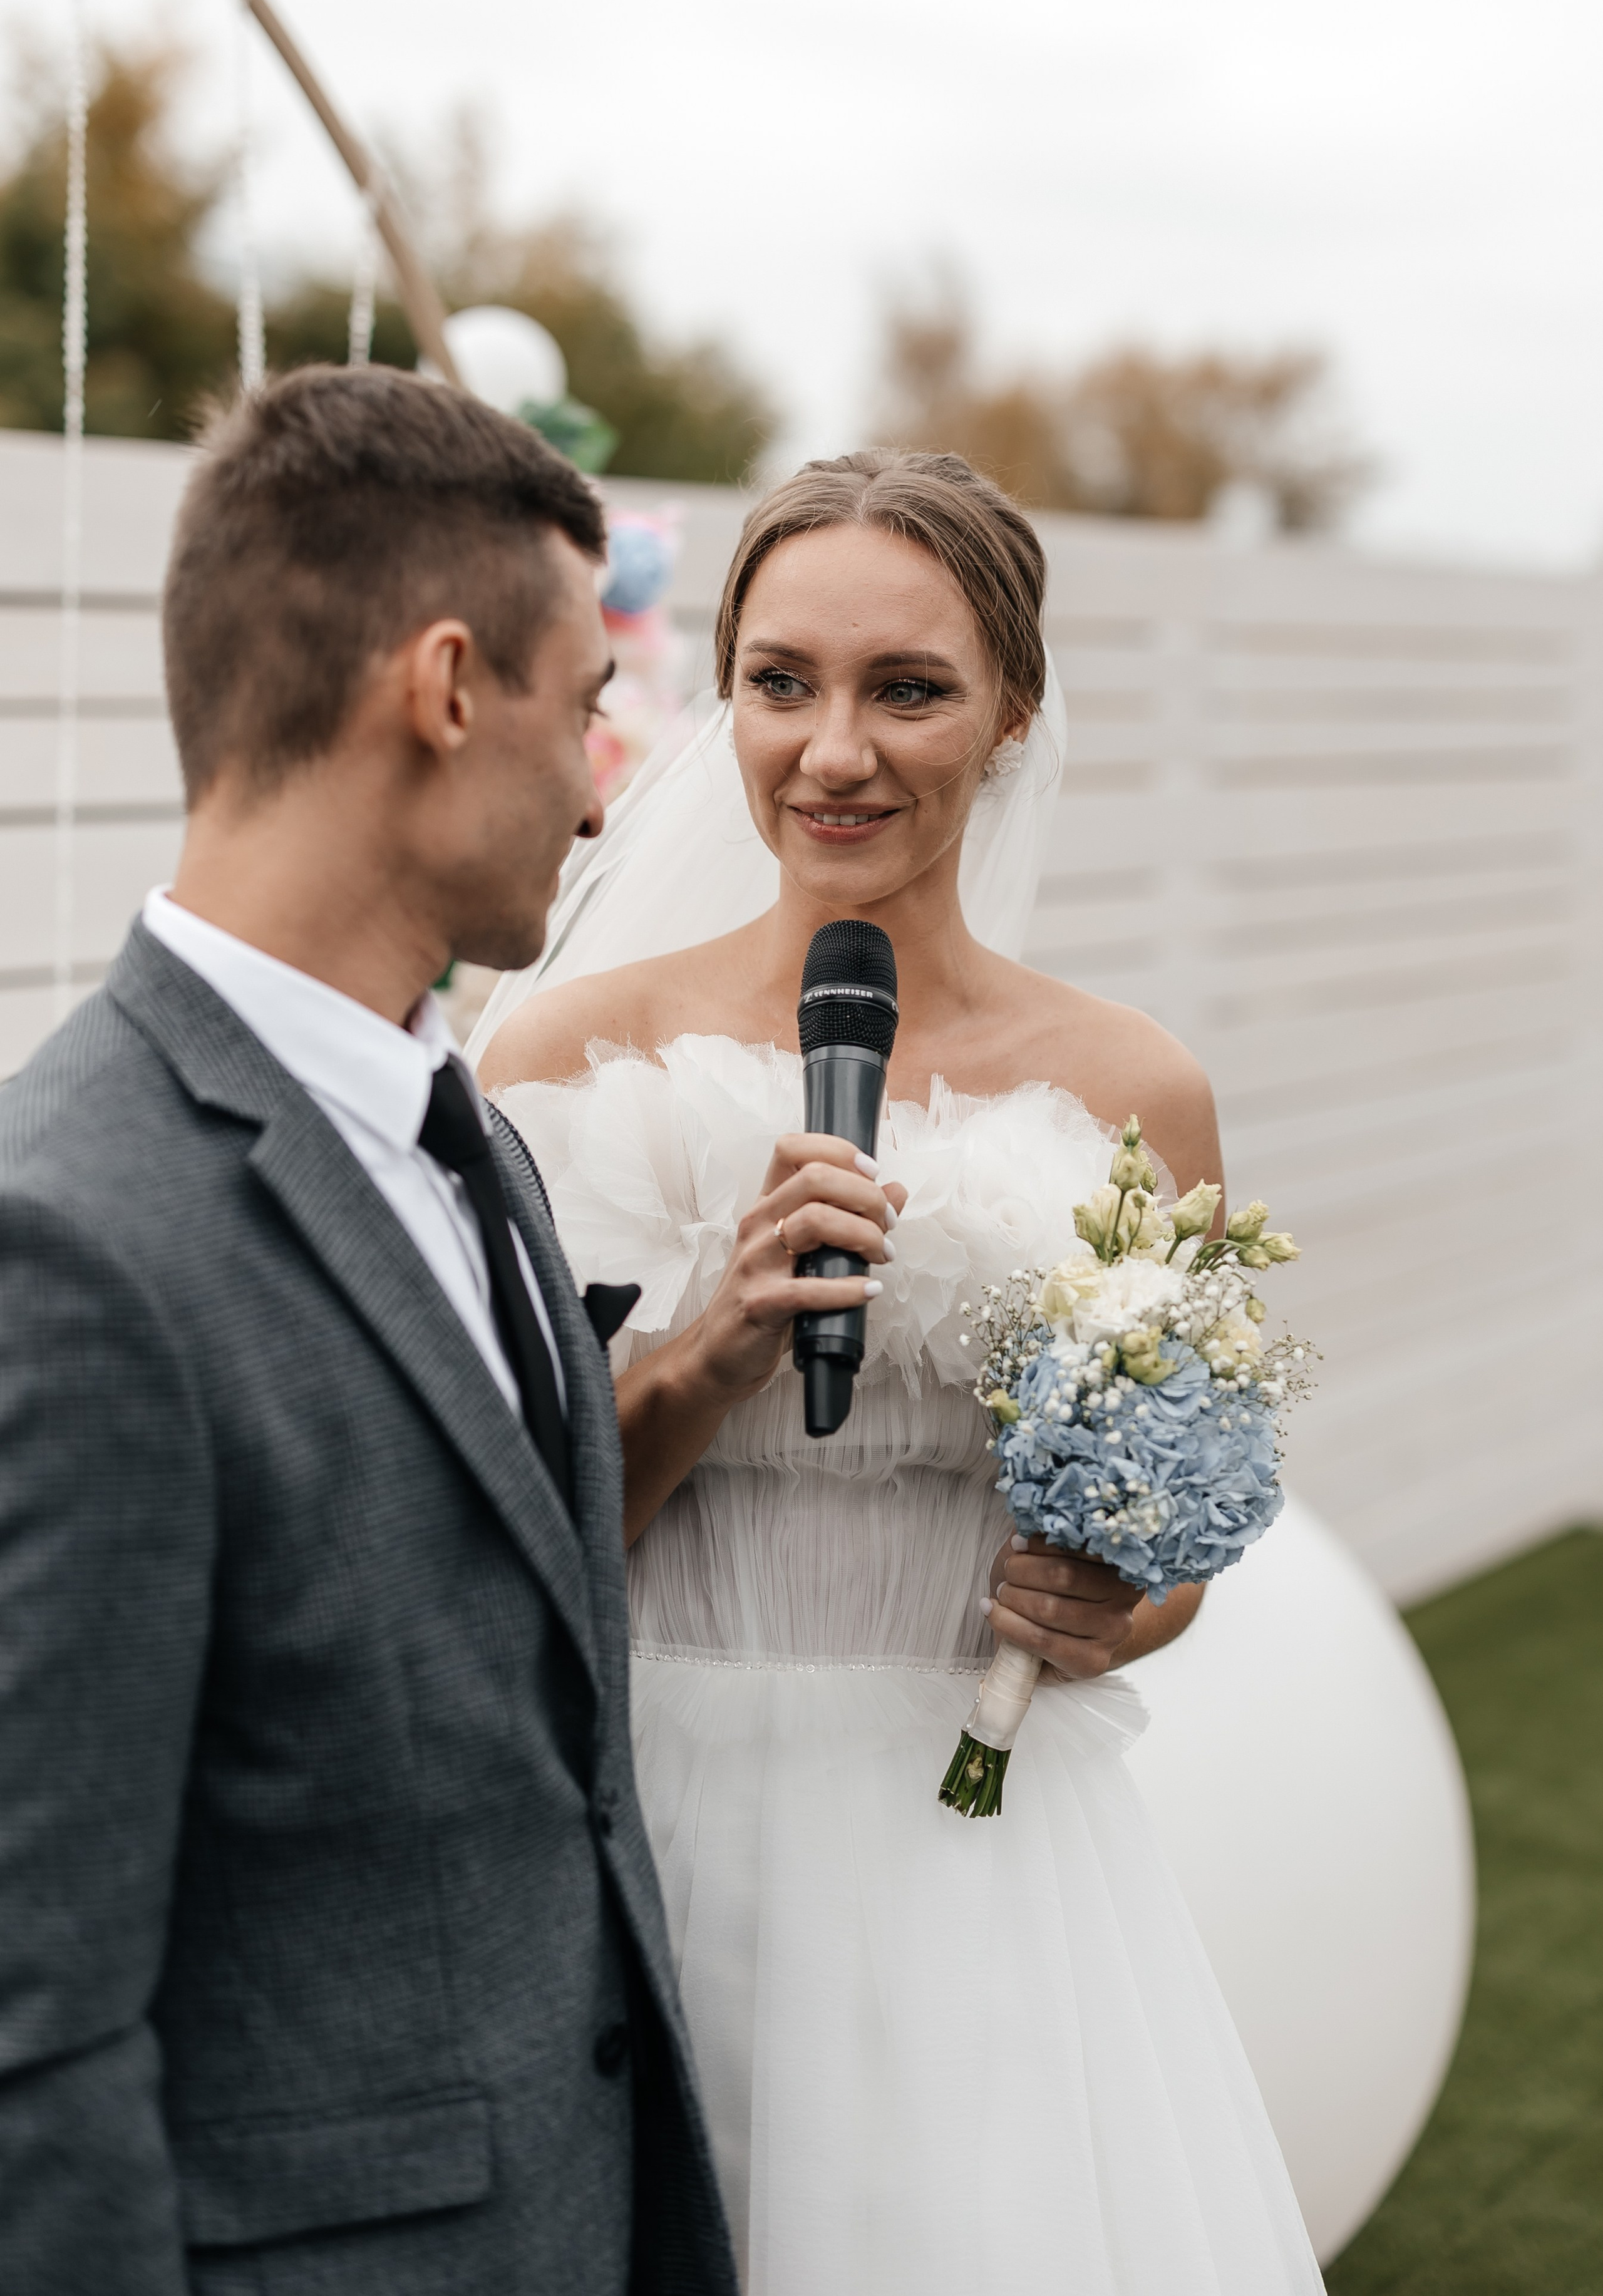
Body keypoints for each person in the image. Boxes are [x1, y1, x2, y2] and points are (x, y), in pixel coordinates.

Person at [476, 450, 1327, 2293]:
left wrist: (1119, 1603)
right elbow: (497, 1534)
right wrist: (711, 1353)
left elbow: (1172, 1537)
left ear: (1013, 713)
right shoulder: (562, 1051)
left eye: (907, 688)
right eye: (782, 682)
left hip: (981, 1840)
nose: (833, 749)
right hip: (649, 1828)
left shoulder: (1135, 1087)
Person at [0, 366, 737, 2296]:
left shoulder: (465, 1123)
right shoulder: (68, 1237)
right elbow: (32, 2022)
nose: (602, 787)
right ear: (442, 686)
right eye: (586, 708)